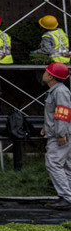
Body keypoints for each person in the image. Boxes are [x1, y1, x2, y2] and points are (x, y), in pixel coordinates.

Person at [41, 61, 71, 209]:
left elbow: (62, 114)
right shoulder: (58, 91)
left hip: (60, 135)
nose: (44, 73)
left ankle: (66, 197)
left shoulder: (60, 92)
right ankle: (67, 196)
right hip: (59, 132)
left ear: (52, 77)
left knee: (53, 163)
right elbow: (54, 114)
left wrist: (61, 134)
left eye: (46, 72)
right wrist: (46, 127)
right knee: (65, 166)